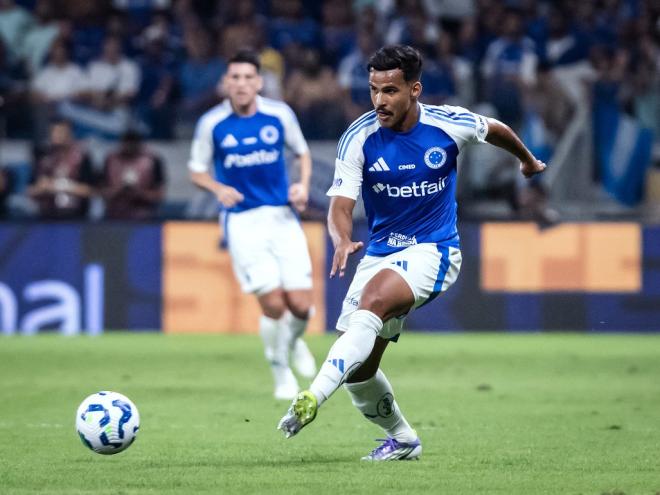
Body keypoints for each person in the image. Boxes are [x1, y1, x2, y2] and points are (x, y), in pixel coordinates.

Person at [277, 45, 546, 460]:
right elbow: (341, 206)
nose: (379, 100)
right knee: (359, 371)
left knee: (372, 301)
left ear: (414, 90)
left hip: (435, 250)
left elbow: (494, 129)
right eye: (373, 90)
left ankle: (311, 396)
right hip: (380, 254)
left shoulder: (447, 123)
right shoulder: (359, 137)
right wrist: (342, 239)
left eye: (389, 90)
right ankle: (403, 439)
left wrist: (526, 160)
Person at [187, 50, 317, 400]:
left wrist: (302, 186)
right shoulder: (212, 123)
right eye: (235, 77)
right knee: (273, 305)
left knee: (301, 306)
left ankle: (293, 341)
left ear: (259, 82)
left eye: (248, 77)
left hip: (282, 217)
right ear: (225, 83)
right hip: (243, 221)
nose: (241, 84)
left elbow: (302, 152)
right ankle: (280, 370)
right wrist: (217, 188)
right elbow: (196, 170)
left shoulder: (279, 114)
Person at [27, 119, 95, 220]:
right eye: (53, 132)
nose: (56, 136)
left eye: (60, 132)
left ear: (69, 134)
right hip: (46, 218)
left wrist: (61, 186)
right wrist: (42, 188)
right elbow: (30, 190)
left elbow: (90, 191)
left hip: (75, 218)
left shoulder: (82, 158)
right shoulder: (42, 157)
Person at [100, 130, 165, 220]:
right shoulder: (110, 159)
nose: (129, 148)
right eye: (127, 144)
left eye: (133, 145)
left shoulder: (152, 160)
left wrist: (139, 193)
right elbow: (101, 191)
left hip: (145, 216)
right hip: (114, 215)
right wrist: (120, 190)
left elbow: (159, 195)